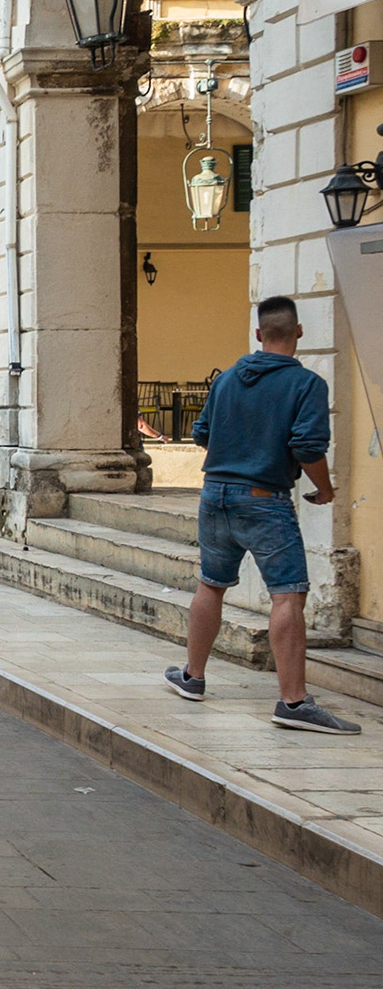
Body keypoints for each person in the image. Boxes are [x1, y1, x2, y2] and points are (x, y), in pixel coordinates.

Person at [166, 295, 360, 734]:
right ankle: (292, 702)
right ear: (298, 333)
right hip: (264, 498)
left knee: (211, 584)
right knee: (287, 595)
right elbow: (307, 448)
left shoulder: (229, 379)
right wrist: (325, 489)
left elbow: (202, 434)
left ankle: (192, 677)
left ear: (258, 334)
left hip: (213, 493)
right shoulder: (307, 385)